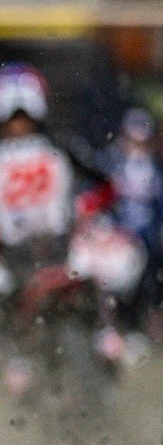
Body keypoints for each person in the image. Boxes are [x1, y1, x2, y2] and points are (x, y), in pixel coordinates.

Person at [0, 63, 116, 391]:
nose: (18, 127)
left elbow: (106, 186)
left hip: (62, 247)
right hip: (14, 257)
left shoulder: (44, 149)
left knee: (99, 269)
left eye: (23, 118)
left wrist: (87, 208)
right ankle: (15, 355)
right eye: (12, 119)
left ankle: (105, 331)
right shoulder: (46, 148)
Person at [100, 108, 163, 340]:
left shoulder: (155, 167)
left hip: (148, 235)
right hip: (119, 234)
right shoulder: (112, 162)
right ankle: (118, 329)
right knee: (118, 285)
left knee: (148, 282)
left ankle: (142, 327)